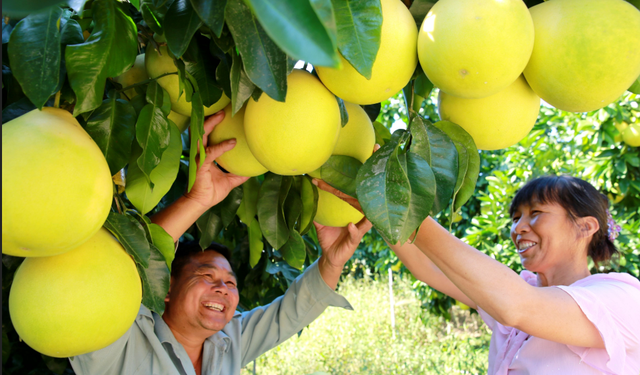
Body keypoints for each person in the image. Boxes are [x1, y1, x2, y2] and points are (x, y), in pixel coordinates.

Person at [70, 111, 372, 375]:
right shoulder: (118, 341)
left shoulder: (228, 342)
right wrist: (197, 200)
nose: (223, 290)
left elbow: (291, 314)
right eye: (206, 275)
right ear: (166, 286)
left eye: (230, 283)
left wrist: (332, 262)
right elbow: (118, 269)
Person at [315, 175, 640, 374]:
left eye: (536, 213)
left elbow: (519, 307)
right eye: (515, 217)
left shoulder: (620, 298)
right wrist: (379, 207)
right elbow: (429, 268)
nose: (518, 228)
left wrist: (401, 205)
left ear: (585, 226)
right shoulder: (521, 288)